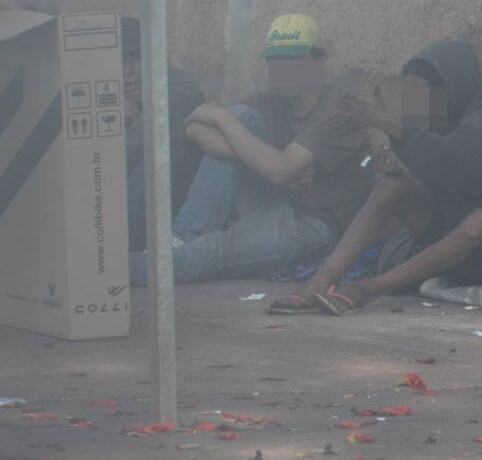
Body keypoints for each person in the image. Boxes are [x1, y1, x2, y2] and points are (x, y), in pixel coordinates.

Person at [268, 40, 482, 315]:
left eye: (424, 93)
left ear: (452, 89)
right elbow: (433, 172)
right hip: (455, 254)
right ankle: (321, 280)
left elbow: (454, 162)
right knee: (393, 187)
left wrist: (397, 130)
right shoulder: (439, 123)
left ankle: (369, 289)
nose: (416, 104)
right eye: (410, 93)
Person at [129, 14, 372, 285]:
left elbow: (279, 171)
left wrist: (224, 120)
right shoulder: (272, 100)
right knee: (242, 116)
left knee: (208, 253)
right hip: (274, 201)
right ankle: (183, 235)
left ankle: (107, 274)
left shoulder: (340, 111)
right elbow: (194, 128)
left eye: (292, 60)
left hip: (315, 226)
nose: (282, 68)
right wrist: (264, 160)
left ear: (318, 61)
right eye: (275, 60)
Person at [121, 16, 206, 251]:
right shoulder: (115, 94)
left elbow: (126, 153)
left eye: (135, 58)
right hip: (132, 216)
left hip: (176, 221)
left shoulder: (177, 90)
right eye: (119, 60)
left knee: (166, 150)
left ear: (155, 55)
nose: (126, 71)